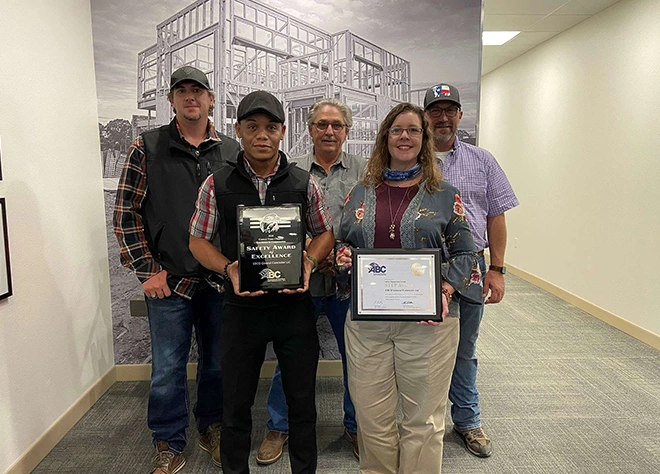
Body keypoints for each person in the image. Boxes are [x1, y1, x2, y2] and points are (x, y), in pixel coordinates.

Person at [188, 90, 335, 474]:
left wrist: (309, 261)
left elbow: (325, 232)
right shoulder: (216, 184)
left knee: (302, 405)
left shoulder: (304, 183)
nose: (262, 135)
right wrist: (228, 268)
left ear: (283, 131)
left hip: (293, 309)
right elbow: (197, 241)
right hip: (241, 310)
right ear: (238, 130)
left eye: (271, 127)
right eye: (252, 127)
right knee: (235, 407)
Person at [336, 103, 483, 474]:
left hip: (428, 325)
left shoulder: (445, 194)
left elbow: (467, 253)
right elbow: (344, 243)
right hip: (367, 324)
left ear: (424, 138)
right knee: (372, 418)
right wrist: (343, 257)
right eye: (397, 129)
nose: (405, 136)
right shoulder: (360, 192)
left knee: (424, 420)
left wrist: (444, 290)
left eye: (413, 130)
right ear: (385, 137)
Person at [114, 65, 240, 473]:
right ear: (171, 100)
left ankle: (212, 426)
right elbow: (126, 213)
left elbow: (243, 215)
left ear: (211, 99)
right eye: (182, 91)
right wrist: (147, 269)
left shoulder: (231, 151)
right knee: (167, 368)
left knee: (218, 362)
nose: (190, 97)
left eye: (198, 90)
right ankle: (168, 441)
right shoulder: (146, 147)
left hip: (219, 280)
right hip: (168, 280)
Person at [256, 98, 366, 465]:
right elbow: (277, 219)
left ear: (346, 131)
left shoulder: (366, 172)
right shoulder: (291, 171)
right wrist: (313, 251)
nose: (329, 131)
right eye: (321, 124)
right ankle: (279, 425)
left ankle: (356, 426)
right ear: (309, 129)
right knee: (290, 357)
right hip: (301, 279)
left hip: (349, 283)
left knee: (358, 358)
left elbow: (372, 221)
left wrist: (343, 254)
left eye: (336, 125)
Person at [423, 83, 519, 458]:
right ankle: (421, 422)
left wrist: (497, 268)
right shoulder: (409, 159)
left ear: (460, 115)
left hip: (472, 267)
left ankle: (467, 420)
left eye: (450, 110)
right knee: (421, 349)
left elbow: (496, 216)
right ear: (426, 116)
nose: (443, 117)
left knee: (465, 348)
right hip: (423, 270)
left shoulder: (483, 160)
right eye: (435, 110)